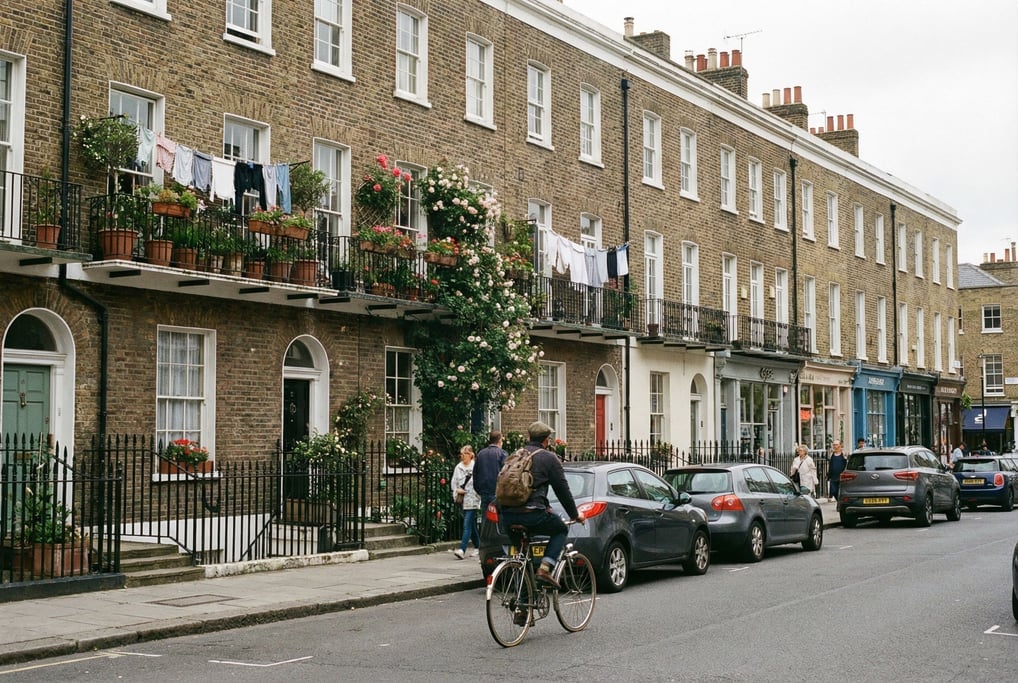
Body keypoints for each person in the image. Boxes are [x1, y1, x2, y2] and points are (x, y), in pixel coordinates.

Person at [499, 421, 585, 590]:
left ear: (529, 437)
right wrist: (575, 515)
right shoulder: (548, 458)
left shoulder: (515, 455)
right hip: (532, 514)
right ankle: (545, 569)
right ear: (546, 440)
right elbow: (563, 491)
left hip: (507, 515)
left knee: (522, 560)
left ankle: (522, 609)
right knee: (560, 529)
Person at [450, 445, 480, 559]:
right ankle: (478, 546)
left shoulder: (475, 466)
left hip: (472, 499)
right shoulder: (458, 467)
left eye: (464, 454)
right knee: (471, 525)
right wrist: (457, 490)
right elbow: (454, 482)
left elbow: (478, 483)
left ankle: (462, 549)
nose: (462, 456)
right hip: (462, 500)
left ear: (470, 455)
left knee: (466, 524)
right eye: (461, 454)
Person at [473, 430, 507, 515]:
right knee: (499, 519)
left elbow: (475, 473)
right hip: (497, 492)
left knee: (486, 518)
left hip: (484, 491)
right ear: (499, 441)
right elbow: (506, 473)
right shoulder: (502, 453)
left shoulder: (481, 454)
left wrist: (479, 489)